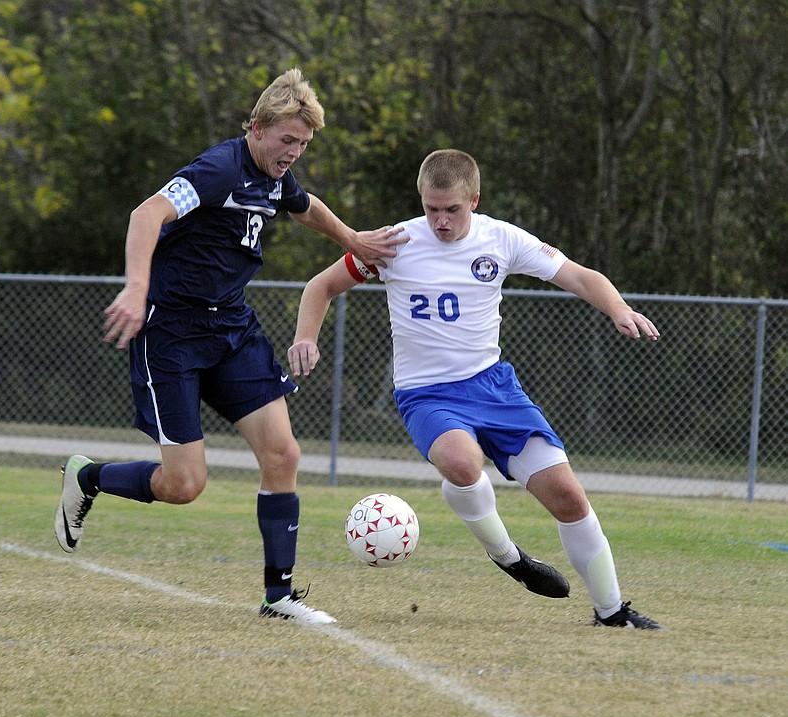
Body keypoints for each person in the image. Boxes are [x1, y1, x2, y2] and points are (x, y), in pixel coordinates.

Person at [54, 68, 406, 625]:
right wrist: (136, 287)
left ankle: (279, 596)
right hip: (171, 334)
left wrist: (352, 238)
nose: (294, 152)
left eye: (303, 144)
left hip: (232, 329)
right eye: (287, 140)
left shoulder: (274, 174)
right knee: (184, 484)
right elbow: (146, 214)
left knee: (283, 455)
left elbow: (304, 204)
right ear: (257, 128)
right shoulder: (219, 168)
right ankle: (88, 477)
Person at [289, 149, 663, 629]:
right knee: (463, 463)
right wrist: (305, 337)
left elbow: (578, 275)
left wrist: (618, 309)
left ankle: (612, 613)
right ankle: (509, 557)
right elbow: (320, 286)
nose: (440, 221)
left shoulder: (501, 238)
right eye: (431, 209)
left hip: (494, 388)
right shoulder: (394, 243)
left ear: (475, 200)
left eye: (452, 210)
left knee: (569, 497)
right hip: (427, 395)